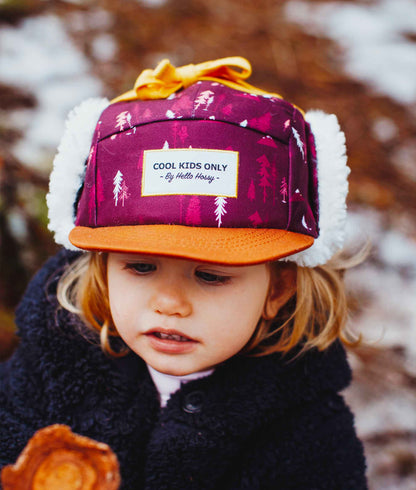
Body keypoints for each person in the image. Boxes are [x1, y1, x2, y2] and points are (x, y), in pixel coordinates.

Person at [0, 57, 368, 489]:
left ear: (279, 288)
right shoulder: (49, 369)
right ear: (101, 268)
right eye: (140, 266)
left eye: (210, 276)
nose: (169, 303)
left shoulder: (307, 434)